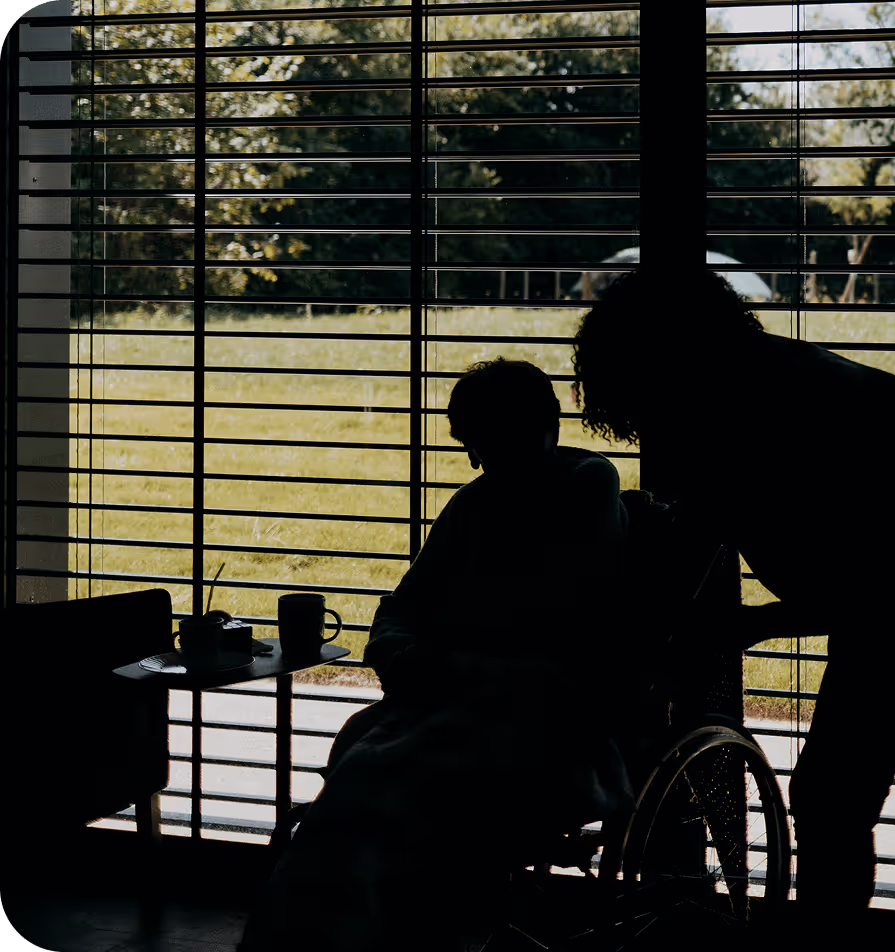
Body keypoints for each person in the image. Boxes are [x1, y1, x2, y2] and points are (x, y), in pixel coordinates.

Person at [570, 270, 895, 937]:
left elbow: (884, 576)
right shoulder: (749, 389)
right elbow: (706, 533)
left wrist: (739, 626)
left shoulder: (780, 409)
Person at [239, 358, 638, 952]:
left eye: (483, 440)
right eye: (469, 444)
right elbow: (403, 607)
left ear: (542, 426)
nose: (475, 461)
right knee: (360, 775)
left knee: (374, 785)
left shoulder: (586, 487)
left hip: (539, 715)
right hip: (451, 700)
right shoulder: (475, 503)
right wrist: (399, 654)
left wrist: (446, 656)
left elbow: (554, 619)